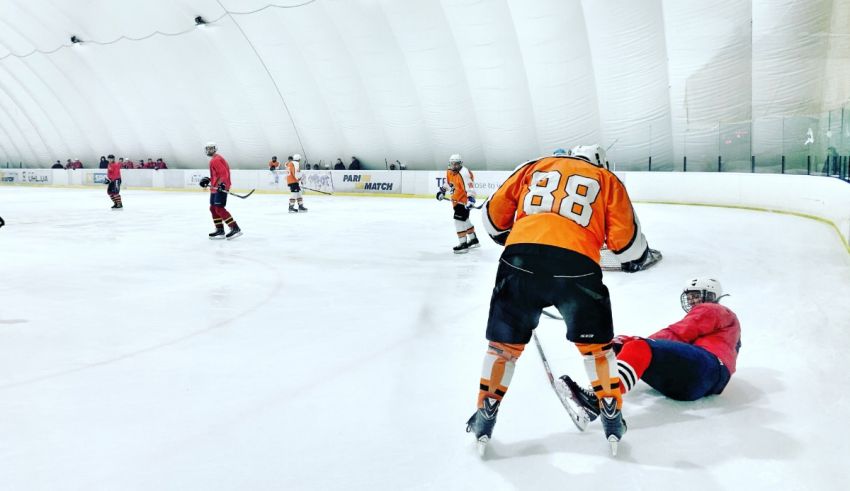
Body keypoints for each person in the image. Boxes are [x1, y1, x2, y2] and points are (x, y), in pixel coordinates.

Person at [465, 144, 658, 456]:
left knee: (502, 349)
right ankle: (612, 417)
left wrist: (526, 241)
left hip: (519, 260)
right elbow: (629, 248)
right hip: (578, 267)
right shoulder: (607, 179)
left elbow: (492, 221)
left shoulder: (534, 164)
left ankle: (486, 413)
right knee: (597, 351)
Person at [560, 277, 741, 423]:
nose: (693, 300)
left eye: (697, 295)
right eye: (690, 297)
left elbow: (678, 333)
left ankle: (600, 397)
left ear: (711, 295)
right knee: (634, 349)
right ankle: (597, 394)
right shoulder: (725, 328)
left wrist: (633, 342)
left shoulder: (714, 310)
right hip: (691, 386)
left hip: (707, 367)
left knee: (638, 347)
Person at [435, 154, 478, 253]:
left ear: (460, 164)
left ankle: (463, 244)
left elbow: (470, 188)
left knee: (458, 221)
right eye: (452, 164)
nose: (454, 166)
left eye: (456, 164)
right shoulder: (449, 171)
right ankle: (474, 240)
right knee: (465, 220)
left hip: (463, 202)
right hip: (456, 200)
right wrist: (442, 191)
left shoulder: (464, 174)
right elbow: (448, 183)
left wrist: (471, 200)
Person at [200, 142, 242, 240]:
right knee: (213, 208)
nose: (209, 150)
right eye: (208, 149)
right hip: (215, 188)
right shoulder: (214, 159)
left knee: (219, 208)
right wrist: (208, 180)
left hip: (220, 188)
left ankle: (235, 228)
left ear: (215, 149)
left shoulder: (216, 160)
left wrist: (222, 184)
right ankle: (220, 230)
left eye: (211, 148)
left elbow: (224, 174)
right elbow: (217, 174)